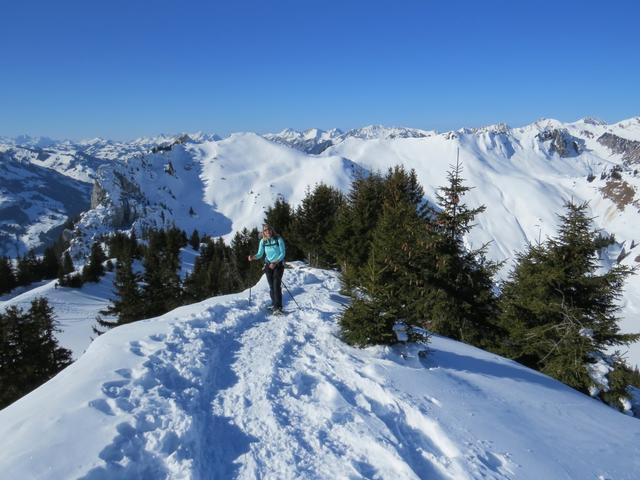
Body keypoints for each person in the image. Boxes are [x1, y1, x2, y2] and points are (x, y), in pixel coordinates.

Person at [248, 224, 286, 313]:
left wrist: (275, 262)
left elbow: (283, 253)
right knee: (271, 286)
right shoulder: (263, 241)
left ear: (272, 230)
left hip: (278, 265)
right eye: (265, 230)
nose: (267, 231)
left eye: (269, 229)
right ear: (263, 232)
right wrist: (253, 257)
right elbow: (260, 254)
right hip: (268, 265)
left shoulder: (278, 239)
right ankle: (274, 303)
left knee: (276, 285)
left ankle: (278, 307)